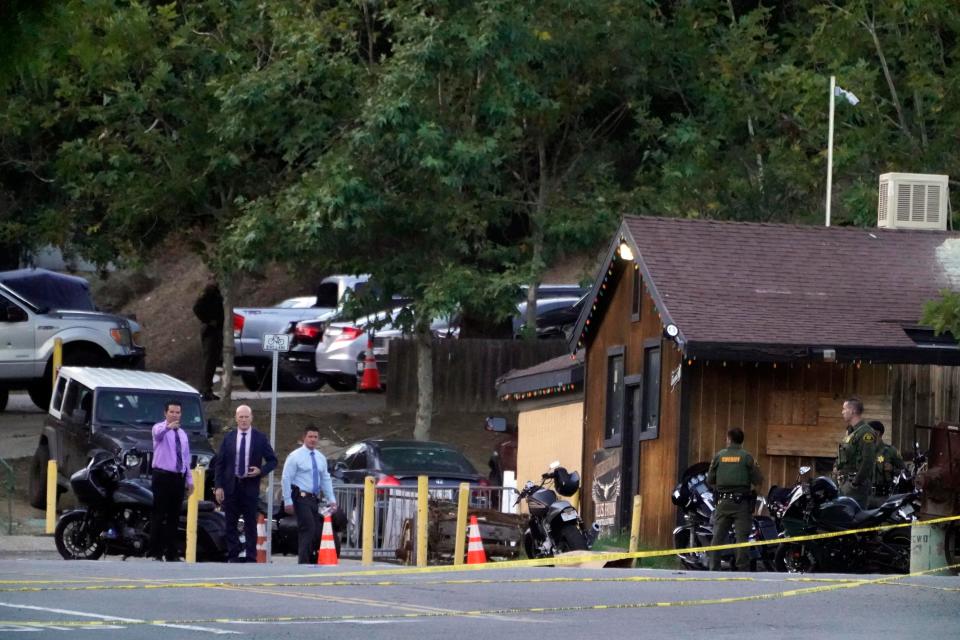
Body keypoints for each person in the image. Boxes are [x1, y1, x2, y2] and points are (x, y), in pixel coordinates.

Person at [214, 405, 277, 562]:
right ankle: (233, 554)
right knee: (230, 522)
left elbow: (273, 460)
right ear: (236, 418)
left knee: (250, 522)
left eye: (246, 417)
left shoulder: (259, 438)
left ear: (251, 418)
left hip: (250, 486)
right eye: (240, 417)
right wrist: (218, 486)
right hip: (231, 485)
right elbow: (220, 463)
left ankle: (251, 555)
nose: (243, 420)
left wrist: (260, 471)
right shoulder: (229, 438)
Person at [707, 427, 763, 571]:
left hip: (723, 503)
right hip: (741, 504)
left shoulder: (719, 456)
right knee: (741, 539)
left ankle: (713, 569)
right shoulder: (747, 457)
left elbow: (710, 479)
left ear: (729, 439)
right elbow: (758, 480)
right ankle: (742, 570)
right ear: (741, 440)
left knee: (717, 537)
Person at [281, 426, 338, 564]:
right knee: (308, 528)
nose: (313, 440)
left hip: (313, 498)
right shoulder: (295, 456)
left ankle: (311, 558)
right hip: (300, 497)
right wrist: (287, 500)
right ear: (304, 438)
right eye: (310, 437)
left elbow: (325, 479)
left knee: (316, 529)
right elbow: (286, 478)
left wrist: (332, 499)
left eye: (315, 437)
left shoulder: (320, 458)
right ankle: (303, 562)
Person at [150, 401, 194, 561]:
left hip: (178, 477)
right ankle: (155, 551)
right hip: (162, 475)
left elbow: (185, 457)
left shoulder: (182, 434)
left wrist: (189, 480)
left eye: (177, 412)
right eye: (172, 412)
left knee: (174, 516)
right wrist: (169, 427)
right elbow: (157, 435)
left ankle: (171, 552)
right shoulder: (159, 428)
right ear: (165, 413)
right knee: (159, 514)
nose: (175, 415)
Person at [834, 396, 878, 507]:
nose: (842, 412)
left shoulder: (865, 432)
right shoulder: (851, 432)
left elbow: (868, 460)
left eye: (844, 409)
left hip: (855, 488)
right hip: (844, 484)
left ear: (853, 411)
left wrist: (855, 483)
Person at [193, 279, 223, 401]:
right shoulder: (210, 291)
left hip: (217, 330)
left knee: (213, 361)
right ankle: (204, 390)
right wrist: (209, 320)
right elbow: (197, 308)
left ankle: (207, 389)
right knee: (209, 361)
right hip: (211, 330)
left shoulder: (218, 292)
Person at [868, 420, 905, 505]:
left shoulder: (891, 451)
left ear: (877, 433)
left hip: (883, 497)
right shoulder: (864, 451)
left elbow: (904, 472)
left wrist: (893, 469)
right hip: (866, 496)